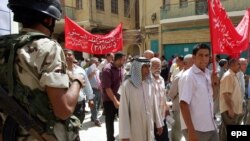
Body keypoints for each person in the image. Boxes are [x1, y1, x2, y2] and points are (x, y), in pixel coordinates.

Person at [2, 0, 86, 140]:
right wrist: (78, 81)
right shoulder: (48, 48)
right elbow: (63, 110)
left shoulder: (4, 46)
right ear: (48, 20)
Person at [179, 43, 219, 141]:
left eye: (206, 55)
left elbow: (212, 98)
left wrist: (215, 84)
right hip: (196, 129)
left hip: (211, 126)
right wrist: (191, 132)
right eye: (200, 55)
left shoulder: (208, 74)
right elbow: (183, 104)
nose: (204, 58)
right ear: (194, 57)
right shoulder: (189, 76)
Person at [119, 57, 163, 141]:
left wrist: (159, 123)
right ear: (137, 68)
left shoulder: (150, 83)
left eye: (148, 66)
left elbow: (154, 105)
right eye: (144, 67)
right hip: (134, 127)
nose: (148, 70)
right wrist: (124, 134)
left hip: (148, 124)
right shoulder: (127, 85)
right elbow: (123, 111)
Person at [64, 49, 95, 123]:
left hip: (79, 104)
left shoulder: (80, 70)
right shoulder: (59, 70)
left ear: (73, 57)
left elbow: (87, 84)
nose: (67, 57)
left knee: (78, 124)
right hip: (65, 104)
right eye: (65, 55)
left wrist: (90, 99)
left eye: (69, 54)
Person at [102, 52, 126, 141]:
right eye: (123, 60)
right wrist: (115, 101)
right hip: (109, 101)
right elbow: (107, 88)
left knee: (124, 122)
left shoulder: (121, 68)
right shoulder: (107, 70)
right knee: (110, 124)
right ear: (119, 60)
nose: (125, 62)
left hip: (121, 100)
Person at [168, 54, 193, 141]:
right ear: (185, 63)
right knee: (177, 130)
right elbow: (171, 93)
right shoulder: (179, 77)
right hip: (179, 107)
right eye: (192, 63)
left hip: (192, 107)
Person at [219, 58, 244, 141]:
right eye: (238, 64)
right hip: (229, 110)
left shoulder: (233, 75)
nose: (240, 66)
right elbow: (226, 94)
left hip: (233, 109)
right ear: (232, 65)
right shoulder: (228, 76)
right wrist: (230, 109)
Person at [150, 57, 169, 141]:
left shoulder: (161, 79)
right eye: (155, 66)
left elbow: (163, 95)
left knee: (164, 138)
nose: (158, 68)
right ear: (150, 67)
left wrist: (166, 108)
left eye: (159, 66)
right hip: (152, 118)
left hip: (162, 116)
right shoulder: (147, 80)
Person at [86, 57, 102, 127]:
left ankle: (93, 116)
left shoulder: (97, 70)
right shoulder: (87, 69)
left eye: (97, 61)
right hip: (92, 90)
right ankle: (96, 119)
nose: (96, 63)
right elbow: (86, 80)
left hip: (99, 89)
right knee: (93, 105)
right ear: (91, 62)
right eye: (95, 62)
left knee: (98, 105)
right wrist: (91, 74)